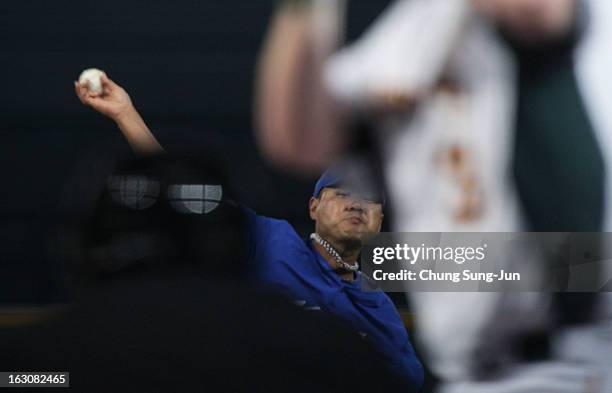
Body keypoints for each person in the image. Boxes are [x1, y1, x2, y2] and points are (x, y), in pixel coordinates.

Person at [254, 0, 612, 392]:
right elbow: (301, 141)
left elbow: (540, 14)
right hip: (477, 372)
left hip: (585, 358)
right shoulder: (416, 28)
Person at [73, 75, 424, 390]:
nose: (356, 204)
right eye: (342, 193)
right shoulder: (270, 240)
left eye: (368, 198)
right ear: (313, 207)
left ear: (380, 221)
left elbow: (407, 381)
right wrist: (125, 115)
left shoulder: (378, 306)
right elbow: (184, 193)